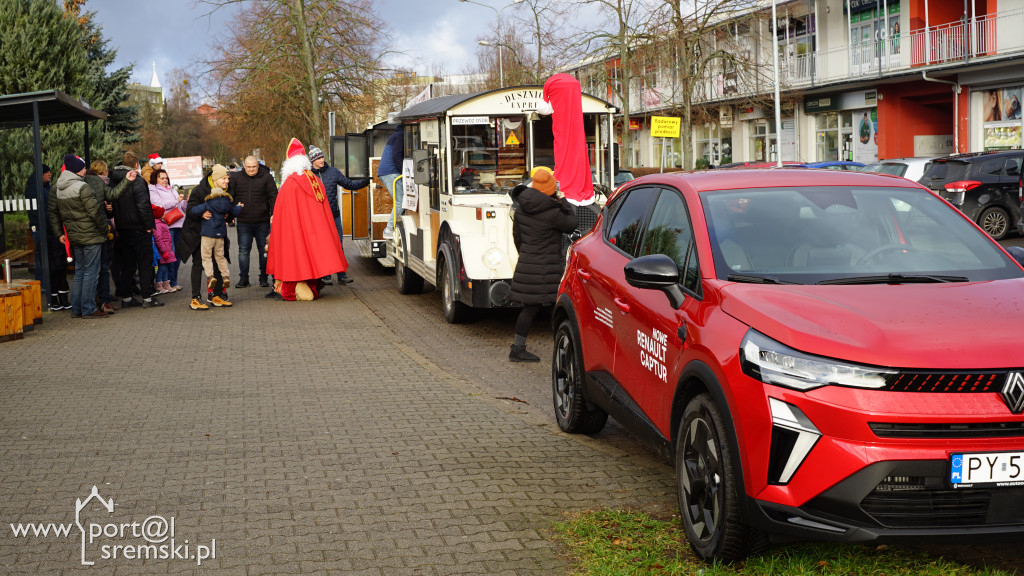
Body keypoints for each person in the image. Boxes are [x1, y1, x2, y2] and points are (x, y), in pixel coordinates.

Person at [507, 168, 577, 362]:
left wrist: (526, 254)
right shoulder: (553, 212)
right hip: (548, 266)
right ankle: (564, 350)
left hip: (528, 262)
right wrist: (563, 202)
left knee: (530, 308)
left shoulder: (521, 208)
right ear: (550, 190)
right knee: (559, 306)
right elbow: (572, 224)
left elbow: (517, 236)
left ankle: (518, 348)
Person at [266, 138, 348, 301]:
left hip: (295, 230)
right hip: (314, 231)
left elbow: (283, 210)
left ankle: (290, 289)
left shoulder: (290, 183)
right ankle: (312, 286)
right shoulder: (315, 180)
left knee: (294, 256)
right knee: (312, 255)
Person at [48, 154, 117, 319]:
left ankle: (76, 309)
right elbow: (95, 212)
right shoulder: (82, 187)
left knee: (80, 271)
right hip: (91, 235)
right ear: (78, 169)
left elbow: (53, 213)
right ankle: (88, 308)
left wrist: (59, 234)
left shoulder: (57, 187)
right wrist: (104, 230)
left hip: (74, 235)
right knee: (91, 273)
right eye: (84, 167)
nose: (86, 170)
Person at [110, 151, 164, 309]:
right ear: (135, 165)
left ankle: (127, 298)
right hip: (139, 228)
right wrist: (148, 226)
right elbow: (143, 206)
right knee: (145, 263)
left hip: (122, 227)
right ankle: (147, 297)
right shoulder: (137, 180)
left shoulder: (113, 180)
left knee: (127, 264)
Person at [308, 145, 369, 284]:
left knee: (338, 245)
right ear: (312, 161)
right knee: (323, 246)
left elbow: (348, 184)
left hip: (334, 215)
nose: (321, 160)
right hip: (318, 218)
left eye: (322, 157)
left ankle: (341, 275)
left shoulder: (333, 172)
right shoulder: (308, 176)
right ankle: (326, 275)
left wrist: (363, 183)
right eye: (318, 158)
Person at [178, 165, 232, 310]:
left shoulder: (227, 191)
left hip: (218, 235)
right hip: (198, 234)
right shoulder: (199, 190)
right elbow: (190, 210)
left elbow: (230, 209)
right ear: (215, 179)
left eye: (228, 178)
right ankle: (195, 298)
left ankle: (217, 295)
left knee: (219, 263)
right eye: (224, 178)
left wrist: (228, 215)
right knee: (198, 264)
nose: (227, 181)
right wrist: (201, 214)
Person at [85, 160, 133, 314]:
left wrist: (108, 210)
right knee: (101, 268)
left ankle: (95, 301)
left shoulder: (86, 183)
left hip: (92, 232)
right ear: (103, 172)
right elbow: (113, 194)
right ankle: (102, 301)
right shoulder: (98, 184)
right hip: (98, 232)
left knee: (91, 269)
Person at [24, 164, 69, 310]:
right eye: (47, 172)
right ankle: (43, 284)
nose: (49, 174)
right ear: (41, 174)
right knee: (41, 256)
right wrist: (49, 223)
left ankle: (50, 289)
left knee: (47, 259)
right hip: (42, 228)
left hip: (48, 229)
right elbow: (40, 209)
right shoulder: (35, 188)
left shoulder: (45, 187)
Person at [228, 155, 277, 288]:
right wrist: (230, 212)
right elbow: (229, 196)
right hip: (243, 221)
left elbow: (274, 197)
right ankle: (244, 279)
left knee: (264, 250)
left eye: (254, 167)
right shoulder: (236, 178)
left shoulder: (266, 177)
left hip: (263, 221)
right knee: (243, 251)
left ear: (258, 165)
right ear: (244, 166)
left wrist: (273, 214)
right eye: (248, 167)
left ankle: (263, 278)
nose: (251, 169)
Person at [189, 177, 243, 295]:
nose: (227, 181)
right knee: (220, 257)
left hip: (208, 234)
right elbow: (235, 212)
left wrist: (201, 213)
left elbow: (194, 211)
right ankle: (226, 276)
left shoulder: (208, 203)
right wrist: (239, 206)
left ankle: (210, 276)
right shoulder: (227, 203)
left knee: (206, 257)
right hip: (220, 235)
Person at [148, 168, 186, 291]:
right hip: (167, 225)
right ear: (155, 179)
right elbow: (159, 206)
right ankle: (166, 282)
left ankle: (173, 281)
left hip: (179, 223)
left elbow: (180, 206)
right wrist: (176, 201)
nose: (165, 180)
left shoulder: (172, 189)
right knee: (170, 254)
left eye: (166, 178)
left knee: (178, 255)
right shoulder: (152, 190)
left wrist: (184, 202)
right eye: (161, 178)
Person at [378, 124, 404, 238]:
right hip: (391, 172)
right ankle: (389, 229)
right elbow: (397, 155)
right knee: (401, 201)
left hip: (388, 172)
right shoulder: (400, 136)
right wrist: (405, 171)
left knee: (400, 201)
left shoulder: (396, 135)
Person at [151, 205, 178, 294]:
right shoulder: (158, 225)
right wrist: (164, 251)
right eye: (162, 213)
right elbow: (158, 239)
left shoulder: (161, 223)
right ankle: (159, 284)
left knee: (165, 267)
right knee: (162, 268)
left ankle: (166, 283)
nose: (164, 214)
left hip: (166, 249)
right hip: (163, 250)